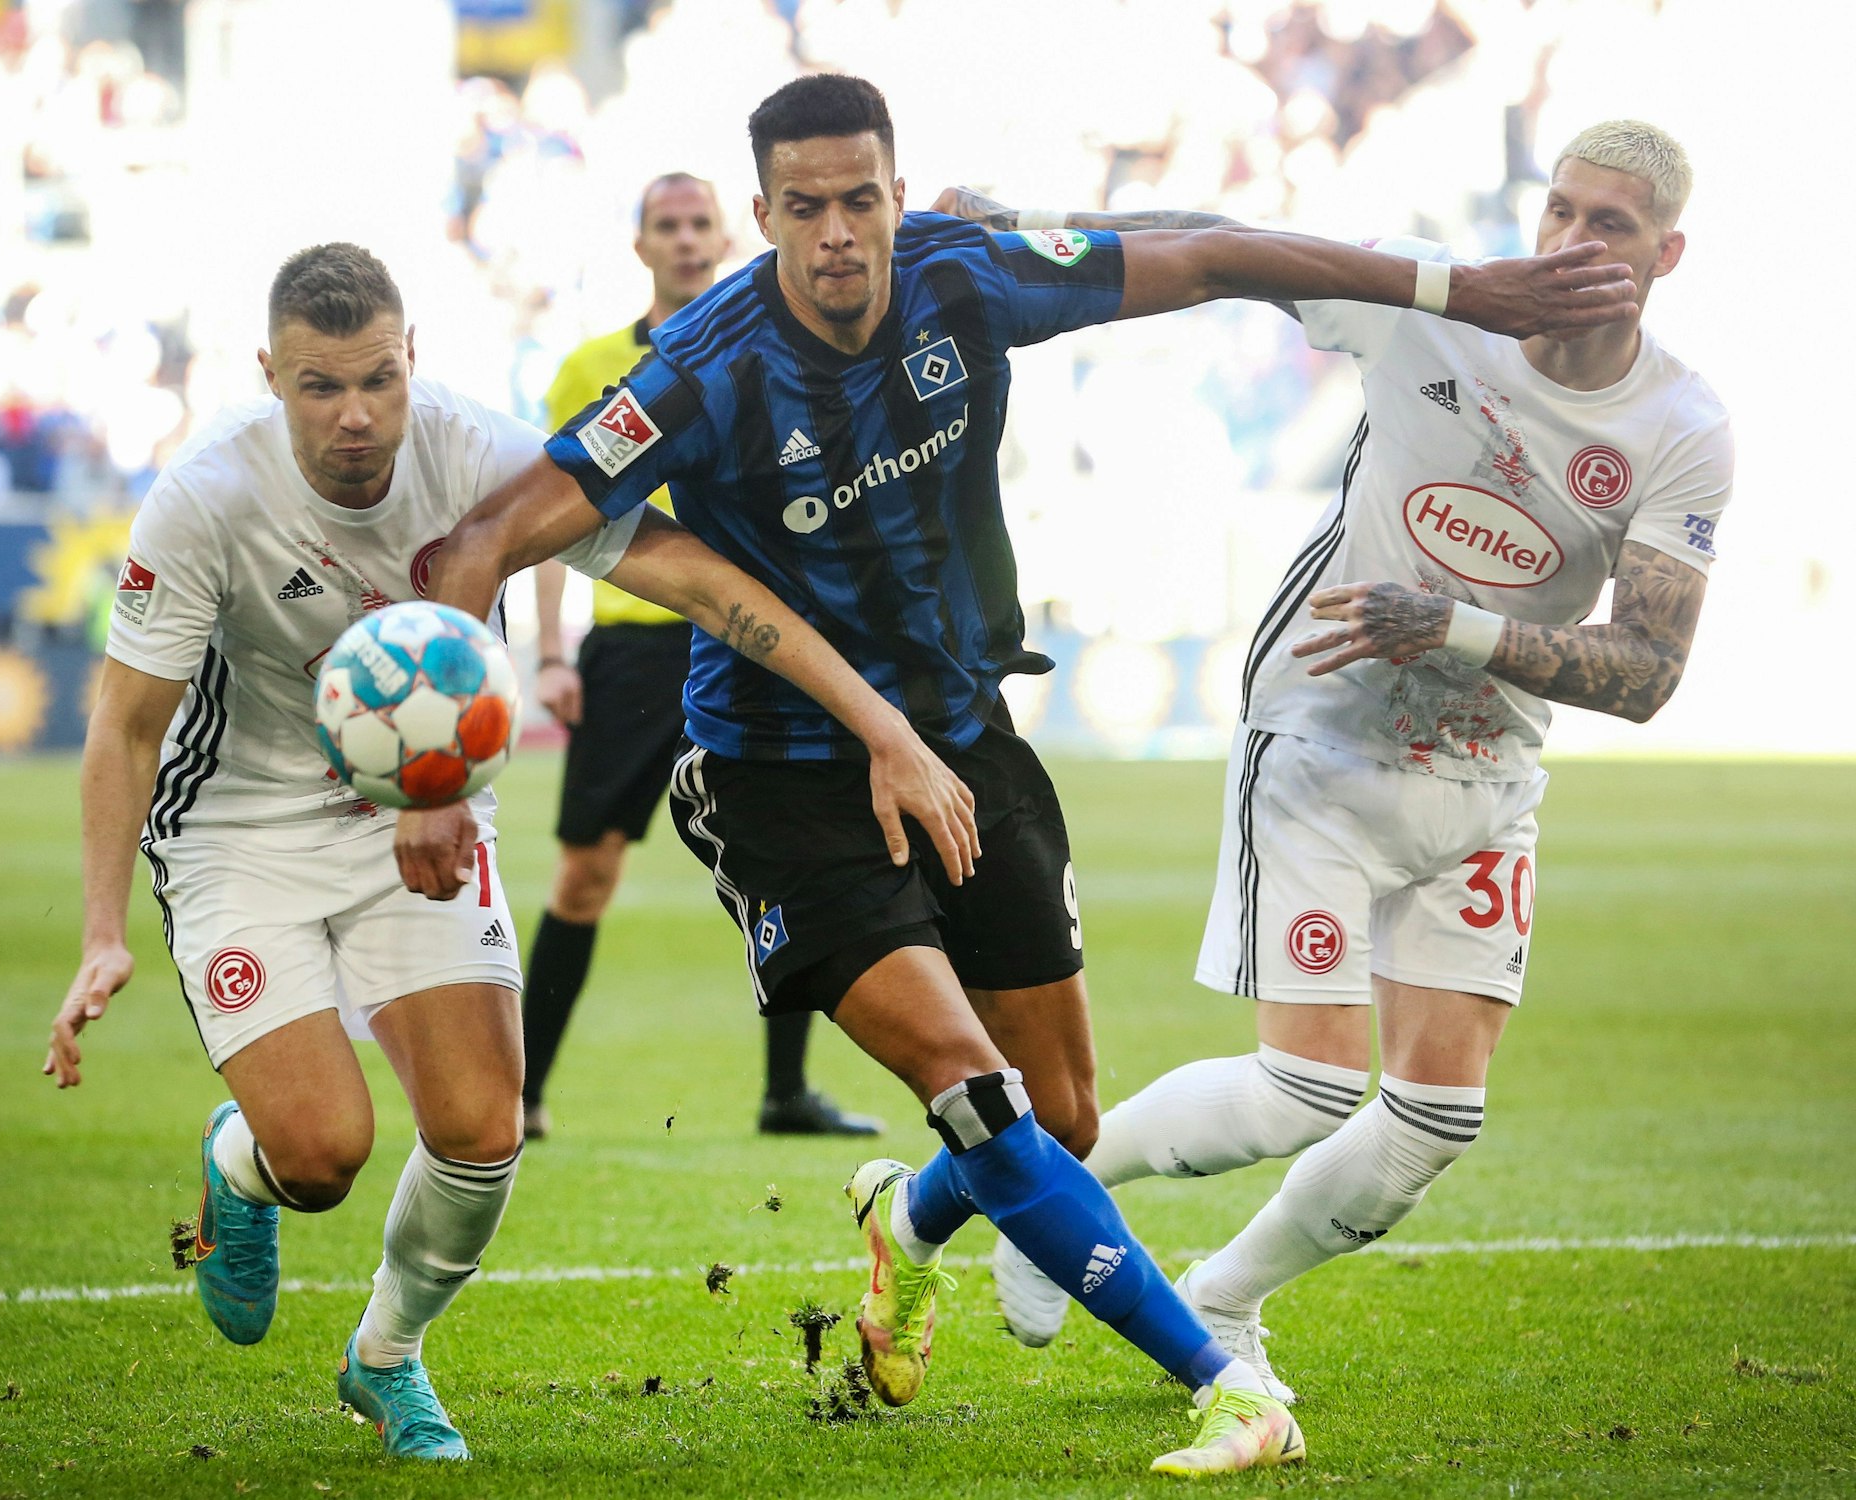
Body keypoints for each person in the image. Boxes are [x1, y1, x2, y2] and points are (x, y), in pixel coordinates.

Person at [412, 75, 1639, 1476]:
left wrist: (1459, 286)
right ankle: (1218, 1378)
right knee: (979, 1090)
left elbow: (1219, 255)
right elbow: (476, 547)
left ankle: (910, 1218)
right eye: (803, 208)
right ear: (763, 217)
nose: (836, 235)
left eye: (860, 199)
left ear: (894, 191)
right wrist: (443, 778)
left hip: (964, 739)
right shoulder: (703, 367)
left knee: (1060, 1124)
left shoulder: (966, 280)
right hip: (782, 772)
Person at [40, 242, 975, 1463]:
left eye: (379, 378)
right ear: (268, 374)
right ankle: (242, 1165)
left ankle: (384, 1359)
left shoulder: (476, 453)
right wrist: (103, 934)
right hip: (241, 832)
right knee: (321, 1157)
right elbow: (124, 724)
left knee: (481, 1134)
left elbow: (681, 570)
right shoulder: (208, 493)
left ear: (413, 357)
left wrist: (877, 720)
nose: (356, 414)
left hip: (426, 818)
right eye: (319, 386)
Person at [952, 121, 1733, 1400]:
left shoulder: (1681, 425)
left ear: (1666, 256)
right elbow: (1220, 250)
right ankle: (1055, 1202)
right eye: (1559, 211)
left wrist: (1457, 631)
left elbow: (1646, 672)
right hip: (1321, 727)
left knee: (1436, 1119)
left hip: (1485, 777)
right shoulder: (1434, 304)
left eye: (1611, 227)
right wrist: (1030, 220)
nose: (1570, 243)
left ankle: (1225, 1301)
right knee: (1303, 1087)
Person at [523, 171, 880, 1141]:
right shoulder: (591, 365)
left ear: (726, 239)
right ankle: (520, 1094)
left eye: (698, 226)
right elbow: (559, 517)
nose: (683, 241)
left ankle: (785, 1093)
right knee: (584, 873)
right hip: (634, 652)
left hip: (753, 637)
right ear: (639, 245)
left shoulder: (777, 351)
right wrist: (552, 654)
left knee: (797, 855)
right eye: (665, 227)